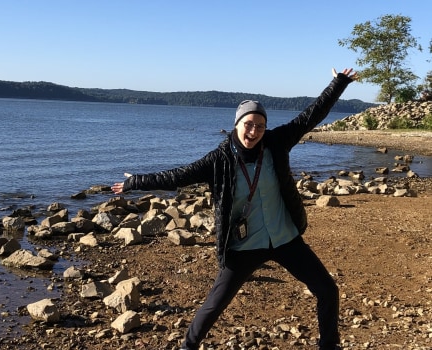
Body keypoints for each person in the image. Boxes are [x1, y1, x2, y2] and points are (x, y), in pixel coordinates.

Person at [112, 68, 358, 350]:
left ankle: (329, 345)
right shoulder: (219, 159)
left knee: (327, 289)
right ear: (237, 124)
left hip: (284, 237)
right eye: (249, 125)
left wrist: (339, 83)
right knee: (215, 304)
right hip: (244, 245)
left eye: (260, 126)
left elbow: (311, 116)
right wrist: (136, 182)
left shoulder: (276, 143)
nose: (254, 132)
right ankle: (187, 347)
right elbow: (177, 176)